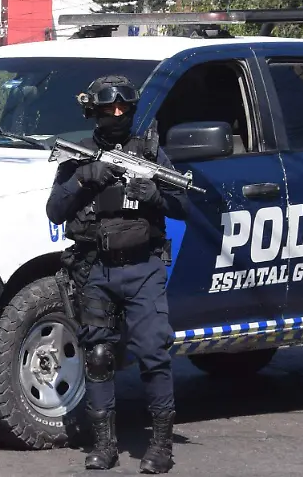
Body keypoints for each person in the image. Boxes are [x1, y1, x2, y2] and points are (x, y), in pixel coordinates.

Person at [45, 75, 188, 474]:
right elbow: (55, 211)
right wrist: (84, 178)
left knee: (154, 353)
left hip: (143, 266)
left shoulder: (149, 154)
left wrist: (155, 196)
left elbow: (184, 206)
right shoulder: (79, 156)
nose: (118, 114)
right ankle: (104, 445)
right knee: (98, 356)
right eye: (110, 108)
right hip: (95, 268)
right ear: (95, 111)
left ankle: (160, 446)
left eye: (125, 107)